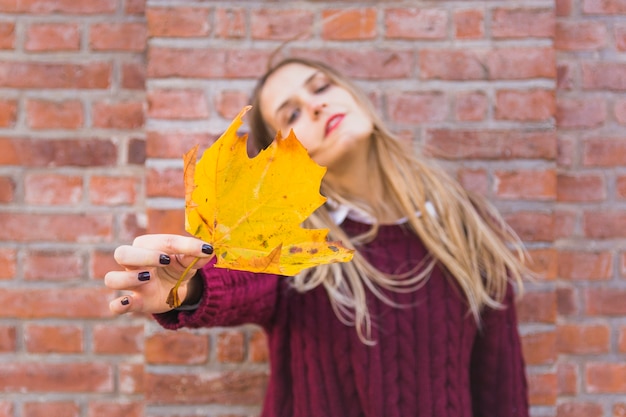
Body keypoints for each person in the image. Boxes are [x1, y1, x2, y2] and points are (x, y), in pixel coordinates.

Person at [105, 57, 530, 417]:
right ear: (287, 153)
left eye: (320, 86)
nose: (315, 106)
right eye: (290, 114)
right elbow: (242, 279)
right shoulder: (294, 239)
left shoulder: (461, 223)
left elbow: (500, 384)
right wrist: (191, 286)